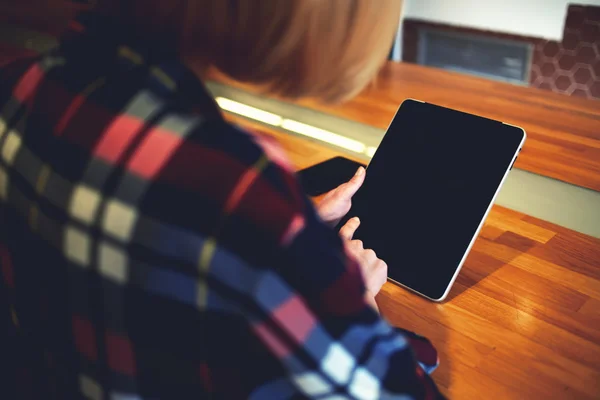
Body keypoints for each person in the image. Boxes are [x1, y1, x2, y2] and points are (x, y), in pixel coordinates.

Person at [0, 1, 443, 398]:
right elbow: (395, 390)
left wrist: (291, 222)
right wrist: (358, 298)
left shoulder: (21, 83)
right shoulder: (224, 182)